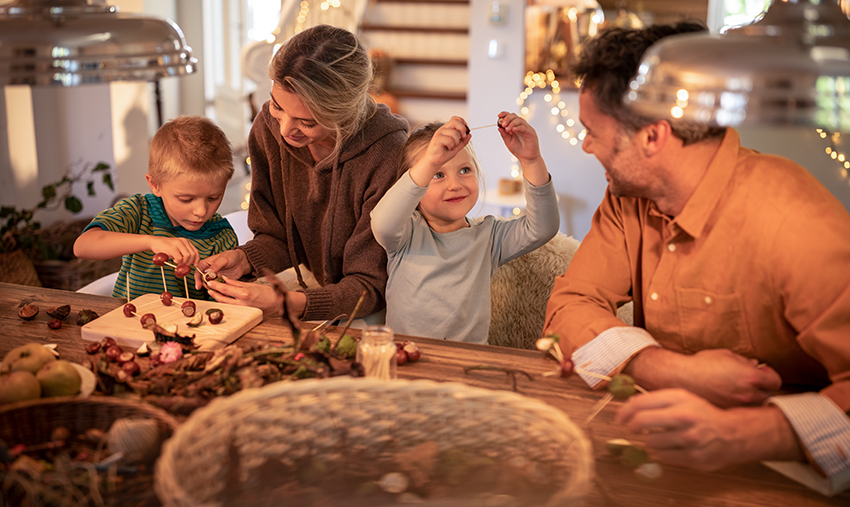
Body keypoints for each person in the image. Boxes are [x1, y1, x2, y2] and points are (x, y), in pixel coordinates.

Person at [543, 22, 850, 482]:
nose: (585, 145)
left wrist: (749, 433)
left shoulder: (795, 220)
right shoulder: (627, 201)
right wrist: (673, 371)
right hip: (661, 454)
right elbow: (568, 307)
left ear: (652, 136)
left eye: (592, 130)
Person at [195, 25, 409, 321]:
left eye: (307, 122)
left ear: (344, 111)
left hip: (375, 310)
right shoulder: (267, 129)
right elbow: (278, 237)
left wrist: (288, 304)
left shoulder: (388, 153)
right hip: (310, 291)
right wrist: (244, 259)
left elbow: (369, 288)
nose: (284, 129)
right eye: (278, 107)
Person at [372, 115, 560, 344]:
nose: (455, 185)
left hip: (467, 361)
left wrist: (531, 161)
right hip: (406, 358)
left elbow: (543, 228)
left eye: (464, 170)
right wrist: (430, 160)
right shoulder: (406, 232)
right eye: (437, 174)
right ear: (415, 187)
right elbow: (382, 223)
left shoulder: (489, 236)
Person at [74, 115, 237, 300]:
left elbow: (221, 305)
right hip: (126, 322)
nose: (201, 211)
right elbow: (82, 246)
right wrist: (151, 242)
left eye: (214, 197)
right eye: (186, 199)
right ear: (155, 185)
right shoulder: (139, 211)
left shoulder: (221, 237)